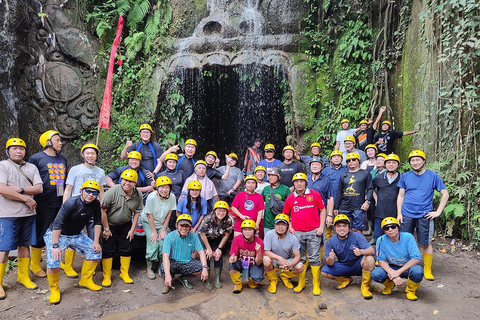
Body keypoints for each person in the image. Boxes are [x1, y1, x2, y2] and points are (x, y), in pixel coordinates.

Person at [44, 181, 103, 304]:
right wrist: (55, 246)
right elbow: (57, 224)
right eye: (88, 191)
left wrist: (96, 242)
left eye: (94, 192)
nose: (90, 194)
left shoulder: (95, 204)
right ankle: (54, 289)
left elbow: (97, 222)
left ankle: (85, 280)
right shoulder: (71, 203)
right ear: (81, 191)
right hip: (58, 234)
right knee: (54, 261)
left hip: (76, 234)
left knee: (95, 251)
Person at [0, 138, 43, 299]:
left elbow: (39, 188)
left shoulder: (31, 167)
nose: (18, 151)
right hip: (7, 214)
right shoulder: (3, 166)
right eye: (14, 148)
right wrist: (26, 198)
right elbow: (2, 188)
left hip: (28, 214)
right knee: (3, 248)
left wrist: (21, 189)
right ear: (8, 151)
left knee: (25, 245)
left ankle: (23, 276)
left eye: (21, 149)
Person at [397, 150, 449, 281]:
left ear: (424, 161)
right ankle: (405, 266)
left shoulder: (432, 176)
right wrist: (399, 213)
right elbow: (401, 195)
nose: (415, 163)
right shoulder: (405, 176)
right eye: (412, 161)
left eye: (418, 160)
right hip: (407, 213)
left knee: (426, 243)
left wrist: (438, 212)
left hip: (425, 215)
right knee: (404, 241)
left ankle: (427, 269)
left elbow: (445, 194)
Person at [28, 130, 67, 278]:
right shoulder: (36, 158)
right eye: (57, 140)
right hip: (42, 203)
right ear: (48, 142)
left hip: (60, 201)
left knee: (59, 232)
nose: (60, 142)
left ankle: (56, 260)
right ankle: (35, 265)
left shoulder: (63, 158)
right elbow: (29, 179)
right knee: (41, 232)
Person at [63, 143, 106, 276]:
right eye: (87, 153)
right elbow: (68, 189)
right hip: (76, 207)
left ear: (96, 156)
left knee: (94, 236)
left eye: (93, 153)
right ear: (82, 154)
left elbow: (101, 191)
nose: (90, 155)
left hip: (93, 208)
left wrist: (103, 207)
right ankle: (68, 266)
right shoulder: (75, 169)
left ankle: (90, 266)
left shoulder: (100, 172)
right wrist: (65, 208)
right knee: (73, 236)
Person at [283, 173, 326, 295]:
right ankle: (301, 282)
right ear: (294, 184)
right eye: (296, 182)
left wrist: (321, 227)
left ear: (306, 182)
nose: (299, 183)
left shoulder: (314, 194)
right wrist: (290, 226)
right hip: (297, 233)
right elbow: (285, 214)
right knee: (300, 258)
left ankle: (316, 284)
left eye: (301, 181)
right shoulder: (291, 198)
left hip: (314, 231)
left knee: (314, 258)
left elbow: (322, 210)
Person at [101, 169, 143, 286]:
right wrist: (106, 229)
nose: (127, 183)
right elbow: (103, 211)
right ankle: (107, 276)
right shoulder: (112, 192)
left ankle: (124, 273)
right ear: (121, 180)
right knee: (108, 249)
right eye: (125, 180)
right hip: (110, 225)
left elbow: (137, 213)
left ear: (135, 183)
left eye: (131, 181)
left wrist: (132, 230)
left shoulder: (137, 194)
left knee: (126, 248)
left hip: (126, 224)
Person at [321, 215, 376, 299]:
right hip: (343, 265)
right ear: (335, 228)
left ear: (349, 228)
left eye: (344, 226)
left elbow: (372, 251)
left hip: (358, 265)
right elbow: (329, 263)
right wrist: (330, 258)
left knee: (369, 259)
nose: (342, 228)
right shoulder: (331, 241)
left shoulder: (356, 236)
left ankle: (365, 286)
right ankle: (346, 279)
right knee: (324, 272)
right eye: (339, 226)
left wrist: (361, 252)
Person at [371, 217, 423, 301]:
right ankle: (389, 285)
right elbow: (381, 260)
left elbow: (416, 258)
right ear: (384, 231)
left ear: (398, 227)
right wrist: (393, 275)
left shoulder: (408, 237)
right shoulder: (381, 240)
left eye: (393, 227)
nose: (390, 230)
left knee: (418, 272)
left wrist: (398, 272)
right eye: (386, 228)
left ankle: (410, 290)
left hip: (408, 266)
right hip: (393, 266)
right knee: (375, 274)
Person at [161, 214, 209, 293]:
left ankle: (184, 278)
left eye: (187, 226)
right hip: (173, 261)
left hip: (187, 261)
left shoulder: (193, 236)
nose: (184, 228)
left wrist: (205, 268)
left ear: (190, 227)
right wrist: (167, 275)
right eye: (181, 225)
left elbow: (201, 252)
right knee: (163, 269)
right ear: (176, 225)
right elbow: (165, 256)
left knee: (200, 268)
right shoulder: (169, 237)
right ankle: (168, 281)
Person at [141, 176, 176, 280]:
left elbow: (169, 215)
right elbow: (149, 215)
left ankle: (161, 266)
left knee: (163, 242)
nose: (164, 190)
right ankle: (149, 268)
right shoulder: (151, 197)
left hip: (161, 222)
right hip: (148, 221)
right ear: (157, 188)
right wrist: (154, 232)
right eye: (161, 187)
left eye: (166, 187)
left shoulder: (172, 197)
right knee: (153, 242)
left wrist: (163, 230)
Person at [263, 214, 303, 294]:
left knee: (300, 267)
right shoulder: (269, 234)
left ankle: (284, 275)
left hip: (287, 260)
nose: (280, 227)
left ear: (287, 226)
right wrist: (279, 258)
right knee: (266, 260)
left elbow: (297, 256)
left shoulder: (292, 238)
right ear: (274, 225)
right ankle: (273, 281)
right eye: (278, 224)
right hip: (274, 259)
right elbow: (266, 251)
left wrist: (290, 265)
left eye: (283, 224)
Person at [334, 153, 374, 233]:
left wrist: (368, 201)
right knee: (345, 230)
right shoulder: (344, 175)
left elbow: (370, 188)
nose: (351, 162)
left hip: (358, 206)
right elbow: (339, 192)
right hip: (344, 207)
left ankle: (358, 246)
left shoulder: (365, 173)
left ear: (358, 161)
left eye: (353, 160)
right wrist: (336, 207)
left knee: (358, 231)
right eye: (348, 161)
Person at [198, 201, 233, 289]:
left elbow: (226, 234)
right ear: (215, 211)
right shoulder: (208, 219)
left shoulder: (228, 220)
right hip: (204, 238)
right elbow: (202, 234)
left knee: (218, 255)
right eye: (219, 210)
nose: (221, 213)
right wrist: (208, 249)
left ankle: (217, 279)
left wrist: (219, 248)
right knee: (207, 255)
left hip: (216, 238)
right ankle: (207, 279)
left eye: (224, 211)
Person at [372, 154, 402, 244]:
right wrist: (376, 199)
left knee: (394, 235)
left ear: (398, 165)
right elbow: (371, 188)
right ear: (385, 164)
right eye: (389, 162)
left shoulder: (402, 178)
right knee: (378, 236)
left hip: (395, 210)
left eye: (394, 163)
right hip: (380, 210)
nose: (391, 164)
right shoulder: (379, 177)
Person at [228, 219, 264, 293]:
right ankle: (237, 284)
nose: (247, 232)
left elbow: (258, 262)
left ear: (254, 231)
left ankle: (251, 280)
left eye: (250, 230)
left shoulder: (259, 242)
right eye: (245, 229)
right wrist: (232, 258)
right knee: (232, 266)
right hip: (242, 263)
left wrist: (259, 252)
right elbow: (233, 255)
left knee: (258, 279)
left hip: (253, 264)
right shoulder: (236, 239)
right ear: (242, 231)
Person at [321, 150, 347, 238]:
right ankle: (327, 238)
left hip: (342, 200)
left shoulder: (346, 169)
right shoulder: (326, 171)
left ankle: (340, 238)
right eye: (334, 157)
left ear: (341, 159)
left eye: (338, 157)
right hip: (328, 199)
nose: (336, 159)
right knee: (327, 221)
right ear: (331, 159)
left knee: (341, 221)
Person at [307, 157, 334, 232]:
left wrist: (329, 215)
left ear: (321, 167)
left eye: (317, 164)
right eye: (313, 164)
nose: (315, 166)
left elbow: (330, 198)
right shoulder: (305, 179)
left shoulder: (326, 180)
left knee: (321, 236)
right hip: (306, 213)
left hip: (321, 213)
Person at [157, 153, 184, 230]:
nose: (172, 164)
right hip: (166, 199)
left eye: (174, 162)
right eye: (170, 162)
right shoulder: (161, 175)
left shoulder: (181, 173)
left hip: (178, 199)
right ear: (166, 163)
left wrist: (183, 194)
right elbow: (158, 189)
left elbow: (185, 186)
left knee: (175, 220)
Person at [261, 168, 291, 235]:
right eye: (269, 175)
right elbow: (260, 202)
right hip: (267, 222)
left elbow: (290, 205)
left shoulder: (285, 189)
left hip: (281, 221)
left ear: (278, 177)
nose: (270, 177)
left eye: (273, 175)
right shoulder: (266, 189)